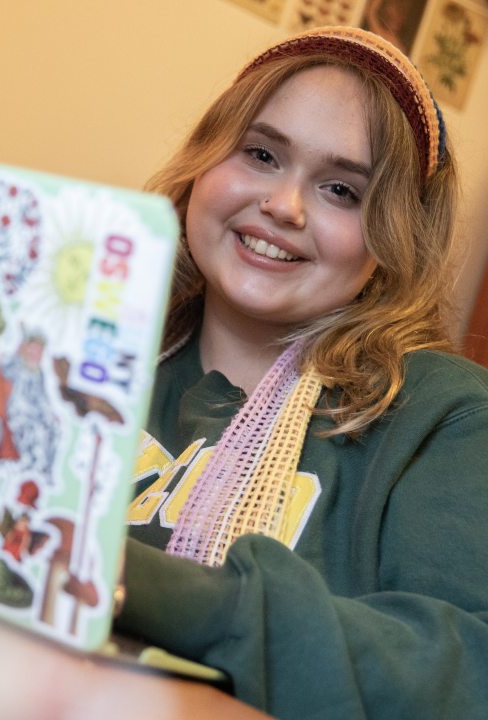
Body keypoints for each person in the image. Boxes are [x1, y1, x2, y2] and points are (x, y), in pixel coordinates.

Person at [112, 26, 488, 719]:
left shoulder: (443, 415)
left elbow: (466, 671)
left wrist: (136, 586)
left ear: (393, 237)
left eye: (342, 190)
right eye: (260, 154)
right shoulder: (90, 354)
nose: (284, 207)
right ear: (203, 164)